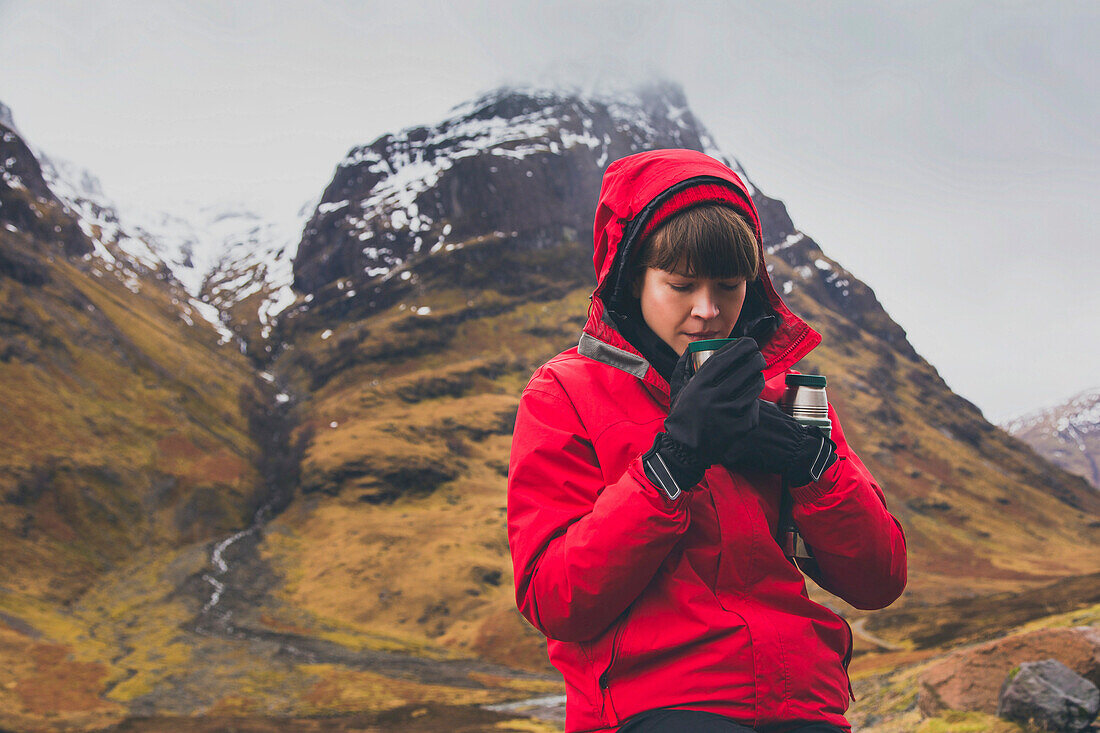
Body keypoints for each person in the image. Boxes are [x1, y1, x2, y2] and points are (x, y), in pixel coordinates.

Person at [507, 149, 907, 733]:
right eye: (681, 284)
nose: (708, 310)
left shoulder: (787, 396)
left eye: (729, 285)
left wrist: (809, 462)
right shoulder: (563, 393)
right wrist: (673, 462)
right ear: (632, 277)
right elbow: (556, 600)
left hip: (803, 706)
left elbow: (879, 580)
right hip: (653, 707)